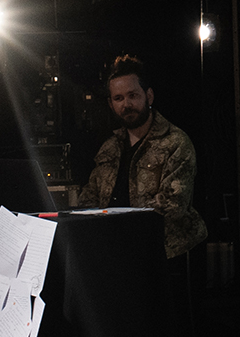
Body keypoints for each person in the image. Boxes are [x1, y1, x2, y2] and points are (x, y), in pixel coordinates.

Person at [78, 55, 207, 259]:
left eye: (133, 95)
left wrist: (119, 229)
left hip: (164, 254)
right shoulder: (110, 147)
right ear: (111, 104)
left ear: (149, 96)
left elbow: (174, 204)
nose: (126, 104)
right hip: (115, 252)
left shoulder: (175, 142)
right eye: (118, 98)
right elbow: (89, 197)